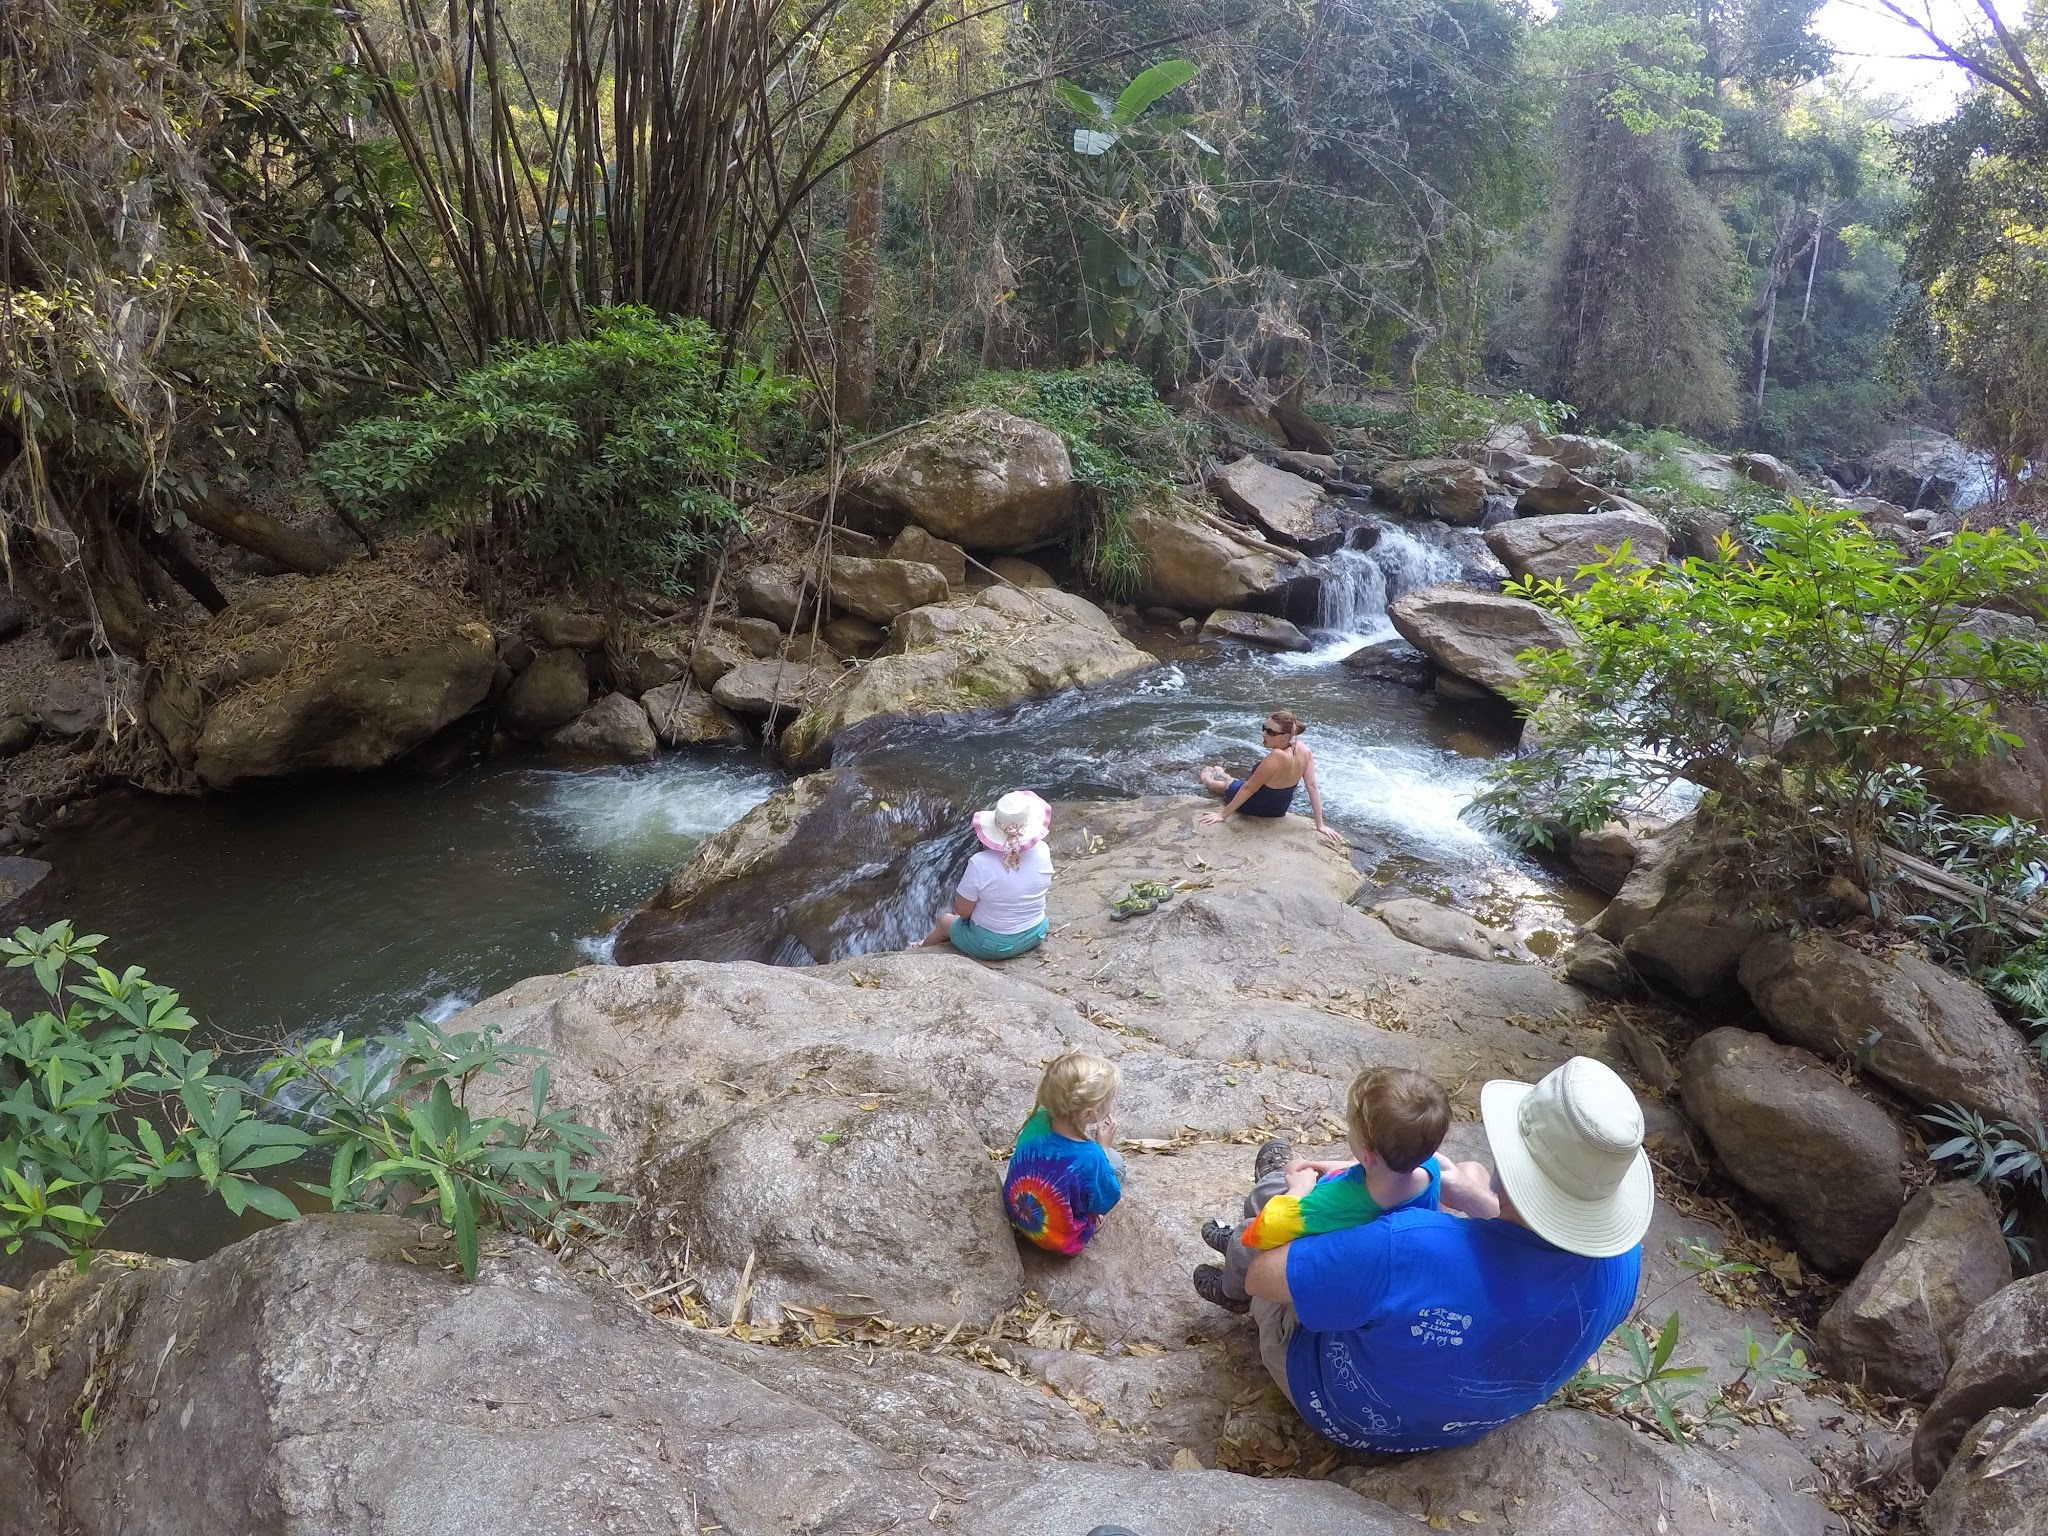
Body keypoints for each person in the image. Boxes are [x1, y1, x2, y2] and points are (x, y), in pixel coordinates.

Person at [1238, 1056, 1650, 1453]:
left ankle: (1273, 1184)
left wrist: (1302, 1202)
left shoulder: (1403, 1247)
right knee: (1468, 1173)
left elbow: (1261, 1274)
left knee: (1270, 1221)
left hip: (1342, 1412)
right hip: (1469, 1425)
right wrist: (1480, 1199)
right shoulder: (1626, 1260)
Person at [1191, 1067, 1497, 1313]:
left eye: (1350, 1125)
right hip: (1350, 1208)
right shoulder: (1429, 1168)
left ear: (1366, 1152)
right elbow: (1365, 1167)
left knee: (1247, 1235)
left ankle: (1232, 1292)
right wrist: (1323, 1164)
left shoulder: (1332, 1203)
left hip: (1313, 1226)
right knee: (1270, 1189)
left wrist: (1298, 1189)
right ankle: (1237, 1242)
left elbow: (1268, 1228)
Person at [1002, 1050, 1124, 1255]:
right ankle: (1086, 1226)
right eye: (1110, 1099)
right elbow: (1106, 1199)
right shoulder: (1091, 1156)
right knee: (1116, 1163)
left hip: (1022, 1216)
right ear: (1088, 1114)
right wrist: (1102, 1147)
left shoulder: (1038, 1120)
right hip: (1060, 1240)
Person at [916, 789, 1053, 960]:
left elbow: (963, 911)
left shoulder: (980, 863)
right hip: (1036, 932)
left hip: (992, 946)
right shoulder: (1042, 850)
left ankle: (920, 951)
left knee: (945, 921)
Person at [1197, 709, 1344, 844]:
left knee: (1222, 785)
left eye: (1270, 732)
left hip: (1256, 805)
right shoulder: (1305, 750)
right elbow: (1312, 786)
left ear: (1285, 737)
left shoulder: (1276, 756)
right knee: (1234, 782)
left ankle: (1210, 777)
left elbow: (1249, 788)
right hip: (1279, 809)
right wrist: (1320, 825)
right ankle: (1222, 773)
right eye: (1264, 728)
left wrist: (1222, 815)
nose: (1264, 734)